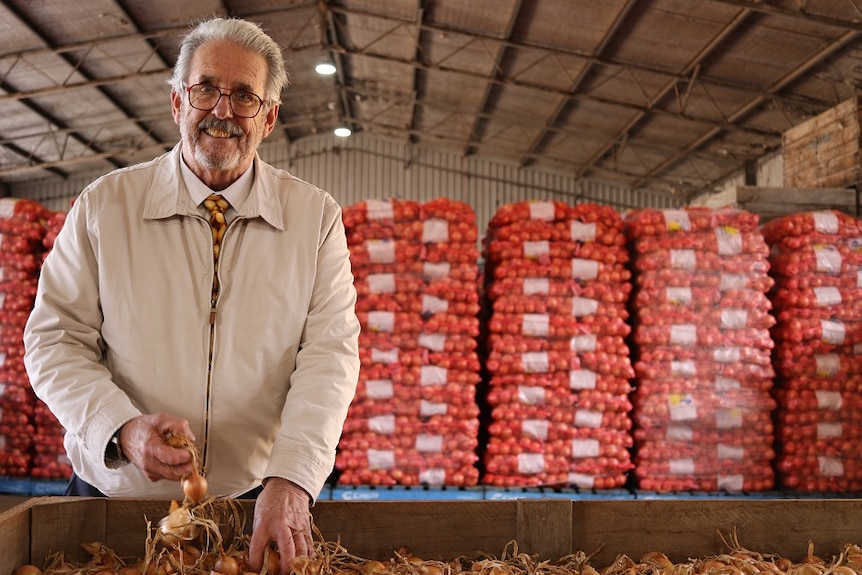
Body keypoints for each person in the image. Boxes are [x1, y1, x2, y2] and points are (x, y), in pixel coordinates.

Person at [22, 16, 360, 573]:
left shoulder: (313, 218)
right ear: (178, 102)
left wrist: (293, 477)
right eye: (205, 88)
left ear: (269, 118)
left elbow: (329, 358)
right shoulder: (107, 207)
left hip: (249, 502)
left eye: (245, 96)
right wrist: (121, 429)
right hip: (114, 495)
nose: (222, 110)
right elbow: (53, 341)